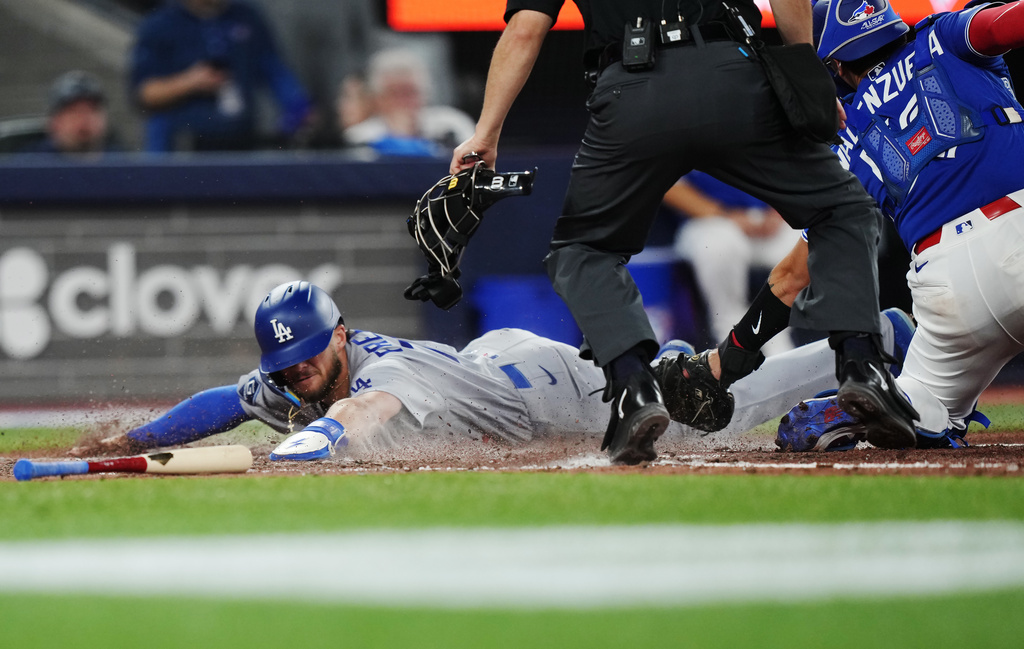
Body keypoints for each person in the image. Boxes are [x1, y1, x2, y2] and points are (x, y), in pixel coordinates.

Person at [448, 0, 916, 465]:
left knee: (582, 248)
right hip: (736, 77)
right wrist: (810, 75)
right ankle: (862, 364)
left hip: (629, 90)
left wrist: (485, 134)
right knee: (845, 210)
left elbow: (526, 31)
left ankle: (634, 388)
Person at [84, 280, 911, 463]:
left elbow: (364, 413)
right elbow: (222, 401)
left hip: (551, 388)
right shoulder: (301, 370)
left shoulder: (378, 368)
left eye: (309, 359)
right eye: (288, 367)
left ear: (338, 333)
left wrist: (303, 448)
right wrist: (129, 439)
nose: (298, 378)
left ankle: (881, 330)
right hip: (490, 364)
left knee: (711, 416)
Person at [711, 0, 1024, 450]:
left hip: (950, 289)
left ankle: (894, 405)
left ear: (835, 65)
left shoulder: (845, 128)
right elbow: (1007, 23)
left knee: (921, 413)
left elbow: (793, 277)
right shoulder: (945, 35)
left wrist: (731, 355)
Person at [129, 0, 313, 152]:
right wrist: (190, 82)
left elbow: (275, 71)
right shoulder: (160, 24)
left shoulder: (246, 17)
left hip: (238, 141)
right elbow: (145, 94)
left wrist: (299, 107)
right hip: (180, 147)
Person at [665, 172, 800, 354]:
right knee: (719, 246)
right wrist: (724, 215)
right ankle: (729, 343)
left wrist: (779, 211)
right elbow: (669, 186)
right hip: (710, 221)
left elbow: (793, 169)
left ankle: (778, 331)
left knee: (810, 240)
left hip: (768, 221)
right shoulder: (677, 142)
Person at [342, 48, 476, 156]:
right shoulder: (361, 136)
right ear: (378, 99)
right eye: (395, 94)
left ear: (425, 94)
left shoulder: (452, 125)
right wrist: (400, 136)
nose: (404, 101)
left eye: (411, 92)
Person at [21, 71, 120, 156]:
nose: (84, 118)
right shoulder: (27, 166)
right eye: (73, 112)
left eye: (92, 110)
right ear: (53, 121)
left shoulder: (123, 165)